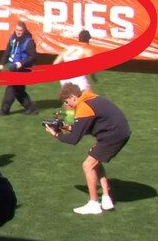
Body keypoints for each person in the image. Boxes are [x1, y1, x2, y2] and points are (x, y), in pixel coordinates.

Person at [44, 83, 132, 215]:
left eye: (67, 101)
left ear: (73, 97)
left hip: (113, 135)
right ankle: (106, 199)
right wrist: (64, 127)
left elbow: (74, 139)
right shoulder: (89, 98)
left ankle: (94, 204)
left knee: (88, 165)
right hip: (118, 132)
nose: (68, 105)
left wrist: (56, 134)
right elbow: (84, 128)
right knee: (95, 159)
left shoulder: (83, 107)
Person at [0, 20, 38, 116]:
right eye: (17, 29)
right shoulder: (12, 38)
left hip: (23, 69)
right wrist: (2, 63)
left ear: (24, 30)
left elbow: (33, 57)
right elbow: (7, 51)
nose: (18, 32)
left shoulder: (29, 42)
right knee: (18, 90)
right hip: (13, 68)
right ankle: (30, 108)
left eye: (20, 30)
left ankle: (4, 110)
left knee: (12, 88)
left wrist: (21, 63)